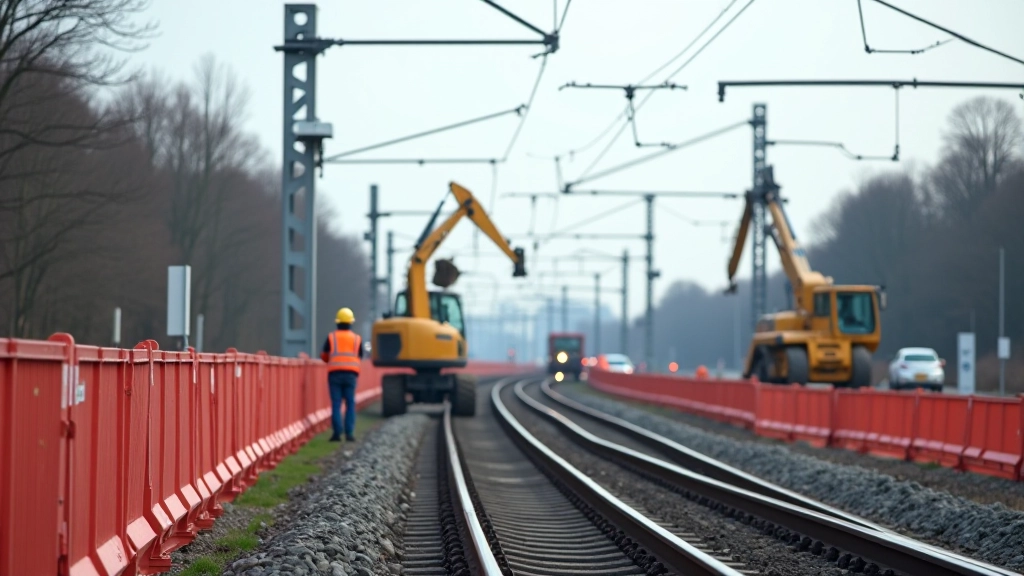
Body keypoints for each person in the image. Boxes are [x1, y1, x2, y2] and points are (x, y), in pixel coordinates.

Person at [320, 307, 363, 442]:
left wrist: (331, 360)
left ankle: (337, 434)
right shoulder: (357, 338)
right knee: (350, 403)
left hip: (335, 374)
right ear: (351, 322)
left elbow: (324, 355)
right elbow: (360, 355)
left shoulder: (331, 337)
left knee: (336, 403)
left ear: (337, 322)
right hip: (351, 374)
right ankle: (349, 433)